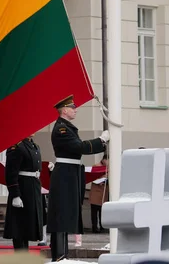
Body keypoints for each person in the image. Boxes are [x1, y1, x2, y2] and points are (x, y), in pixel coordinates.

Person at [47, 95, 109, 261]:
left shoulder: (67, 127)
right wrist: (101, 140)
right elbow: (78, 147)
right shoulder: (61, 129)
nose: (76, 109)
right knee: (61, 215)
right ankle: (59, 255)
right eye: (73, 107)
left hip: (70, 172)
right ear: (65, 110)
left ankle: (63, 255)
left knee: (68, 213)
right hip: (65, 174)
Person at [3, 136, 43, 251]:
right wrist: (15, 194)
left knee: (27, 227)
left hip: (33, 189)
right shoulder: (17, 146)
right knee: (19, 228)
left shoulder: (34, 146)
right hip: (22, 189)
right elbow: (11, 173)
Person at [89, 154, 109, 234]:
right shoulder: (96, 166)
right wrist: (100, 180)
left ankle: (102, 226)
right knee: (94, 211)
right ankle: (95, 227)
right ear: (104, 160)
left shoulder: (109, 167)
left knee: (102, 210)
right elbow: (92, 177)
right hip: (96, 191)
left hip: (104, 192)